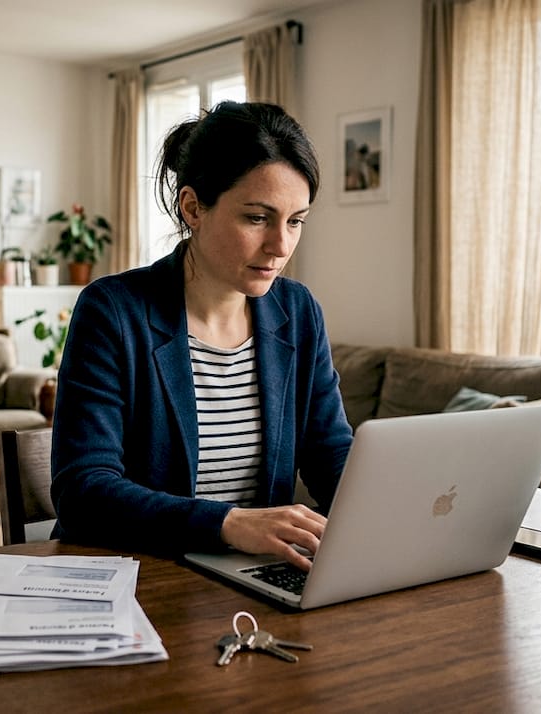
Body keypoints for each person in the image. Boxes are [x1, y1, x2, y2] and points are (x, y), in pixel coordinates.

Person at [49, 101, 354, 572]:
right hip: (140, 576)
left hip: (255, 578)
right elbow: (83, 492)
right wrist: (227, 524)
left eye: (295, 221)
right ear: (193, 207)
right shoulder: (113, 311)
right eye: (257, 218)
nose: (281, 246)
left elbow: (331, 456)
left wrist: (398, 513)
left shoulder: (298, 312)